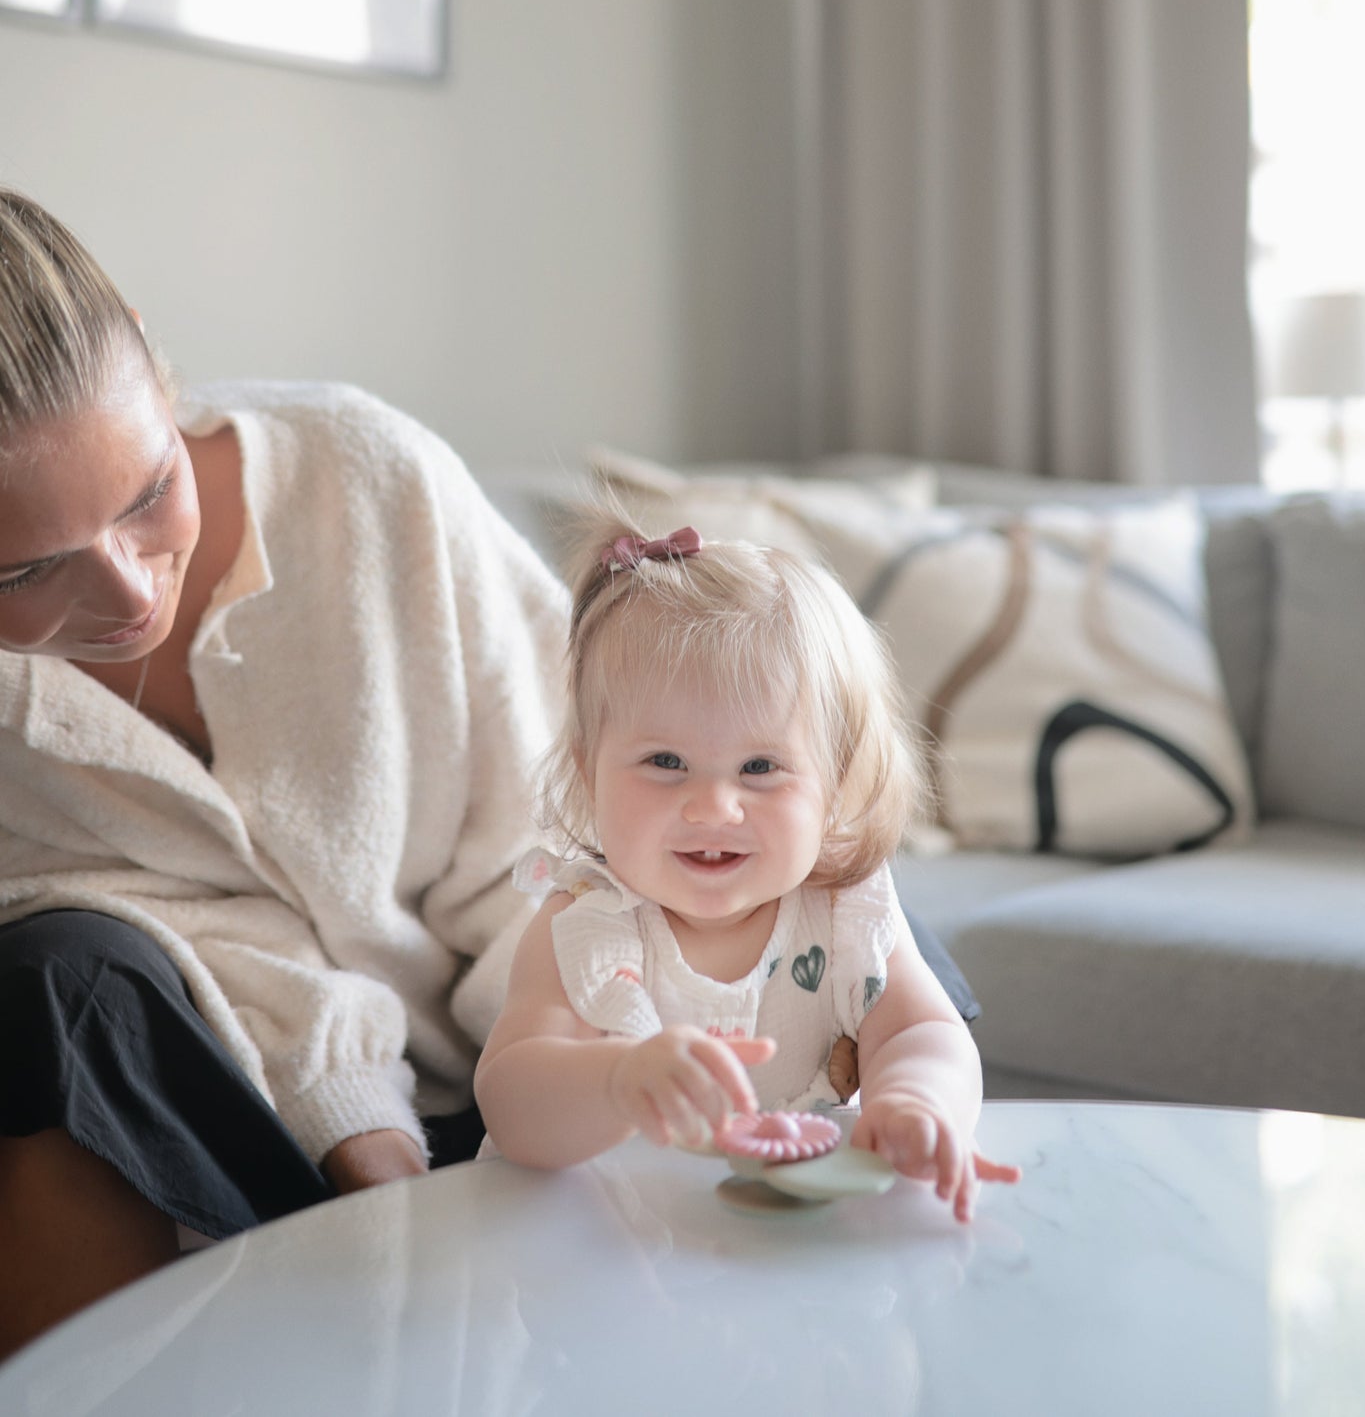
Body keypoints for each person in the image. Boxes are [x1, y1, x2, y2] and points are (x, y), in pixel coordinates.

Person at [0, 187, 570, 1357]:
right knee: (47, 978)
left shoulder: (372, 480)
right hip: (249, 1110)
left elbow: (576, 810)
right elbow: (128, 917)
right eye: (27, 572)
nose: (127, 596)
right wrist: (353, 1120)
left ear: (159, 373)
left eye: (148, 491)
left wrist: (566, 1085)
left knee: (818, 888)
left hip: (556, 1053)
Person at [474, 515, 1020, 1220]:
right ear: (590, 772)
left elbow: (925, 1034)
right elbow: (512, 1101)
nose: (712, 806)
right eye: (664, 762)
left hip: (784, 1245)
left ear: (836, 783)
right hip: (610, 1245)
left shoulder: (844, 912)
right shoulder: (589, 926)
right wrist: (616, 1081)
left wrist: (918, 1100)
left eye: (759, 767)